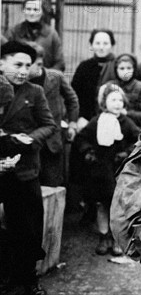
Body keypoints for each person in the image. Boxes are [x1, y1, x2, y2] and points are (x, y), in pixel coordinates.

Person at [0, 41, 56, 295]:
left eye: (27, 65)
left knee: (29, 226)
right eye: (17, 64)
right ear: (2, 63)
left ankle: (28, 278)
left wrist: (30, 139)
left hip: (25, 169)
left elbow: (48, 124)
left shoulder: (34, 92)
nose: (23, 71)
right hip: (1, 168)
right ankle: (7, 275)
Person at [74, 83, 139, 256]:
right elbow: (81, 138)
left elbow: (139, 140)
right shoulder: (97, 121)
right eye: (112, 100)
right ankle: (104, 237)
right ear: (104, 103)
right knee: (101, 205)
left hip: (119, 171)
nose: (117, 103)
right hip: (100, 172)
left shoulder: (127, 123)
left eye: (120, 100)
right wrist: (88, 151)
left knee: (118, 206)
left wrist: (126, 152)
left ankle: (117, 238)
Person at [28, 43, 79, 187]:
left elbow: (72, 100)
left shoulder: (55, 77)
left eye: (38, 62)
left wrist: (72, 124)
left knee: (53, 183)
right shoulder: (21, 81)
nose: (35, 67)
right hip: (30, 141)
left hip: (53, 140)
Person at [71, 29, 118, 130]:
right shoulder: (84, 67)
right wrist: (79, 117)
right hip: (86, 119)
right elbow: (74, 95)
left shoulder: (118, 67)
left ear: (112, 45)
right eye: (97, 43)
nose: (101, 47)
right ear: (91, 45)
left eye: (105, 43)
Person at [5, 0, 65, 71]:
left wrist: (46, 77)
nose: (31, 13)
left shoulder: (51, 34)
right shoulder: (13, 32)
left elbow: (60, 63)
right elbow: (4, 59)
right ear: (23, 10)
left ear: (43, 12)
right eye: (28, 9)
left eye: (36, 10)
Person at [105, 53, 141, 127]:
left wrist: (127, 113)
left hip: (134, 127)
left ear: (134, 69)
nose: (126, 72)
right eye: (122, 68)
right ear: (116, 70)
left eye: (129, 68)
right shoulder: (109, 86)